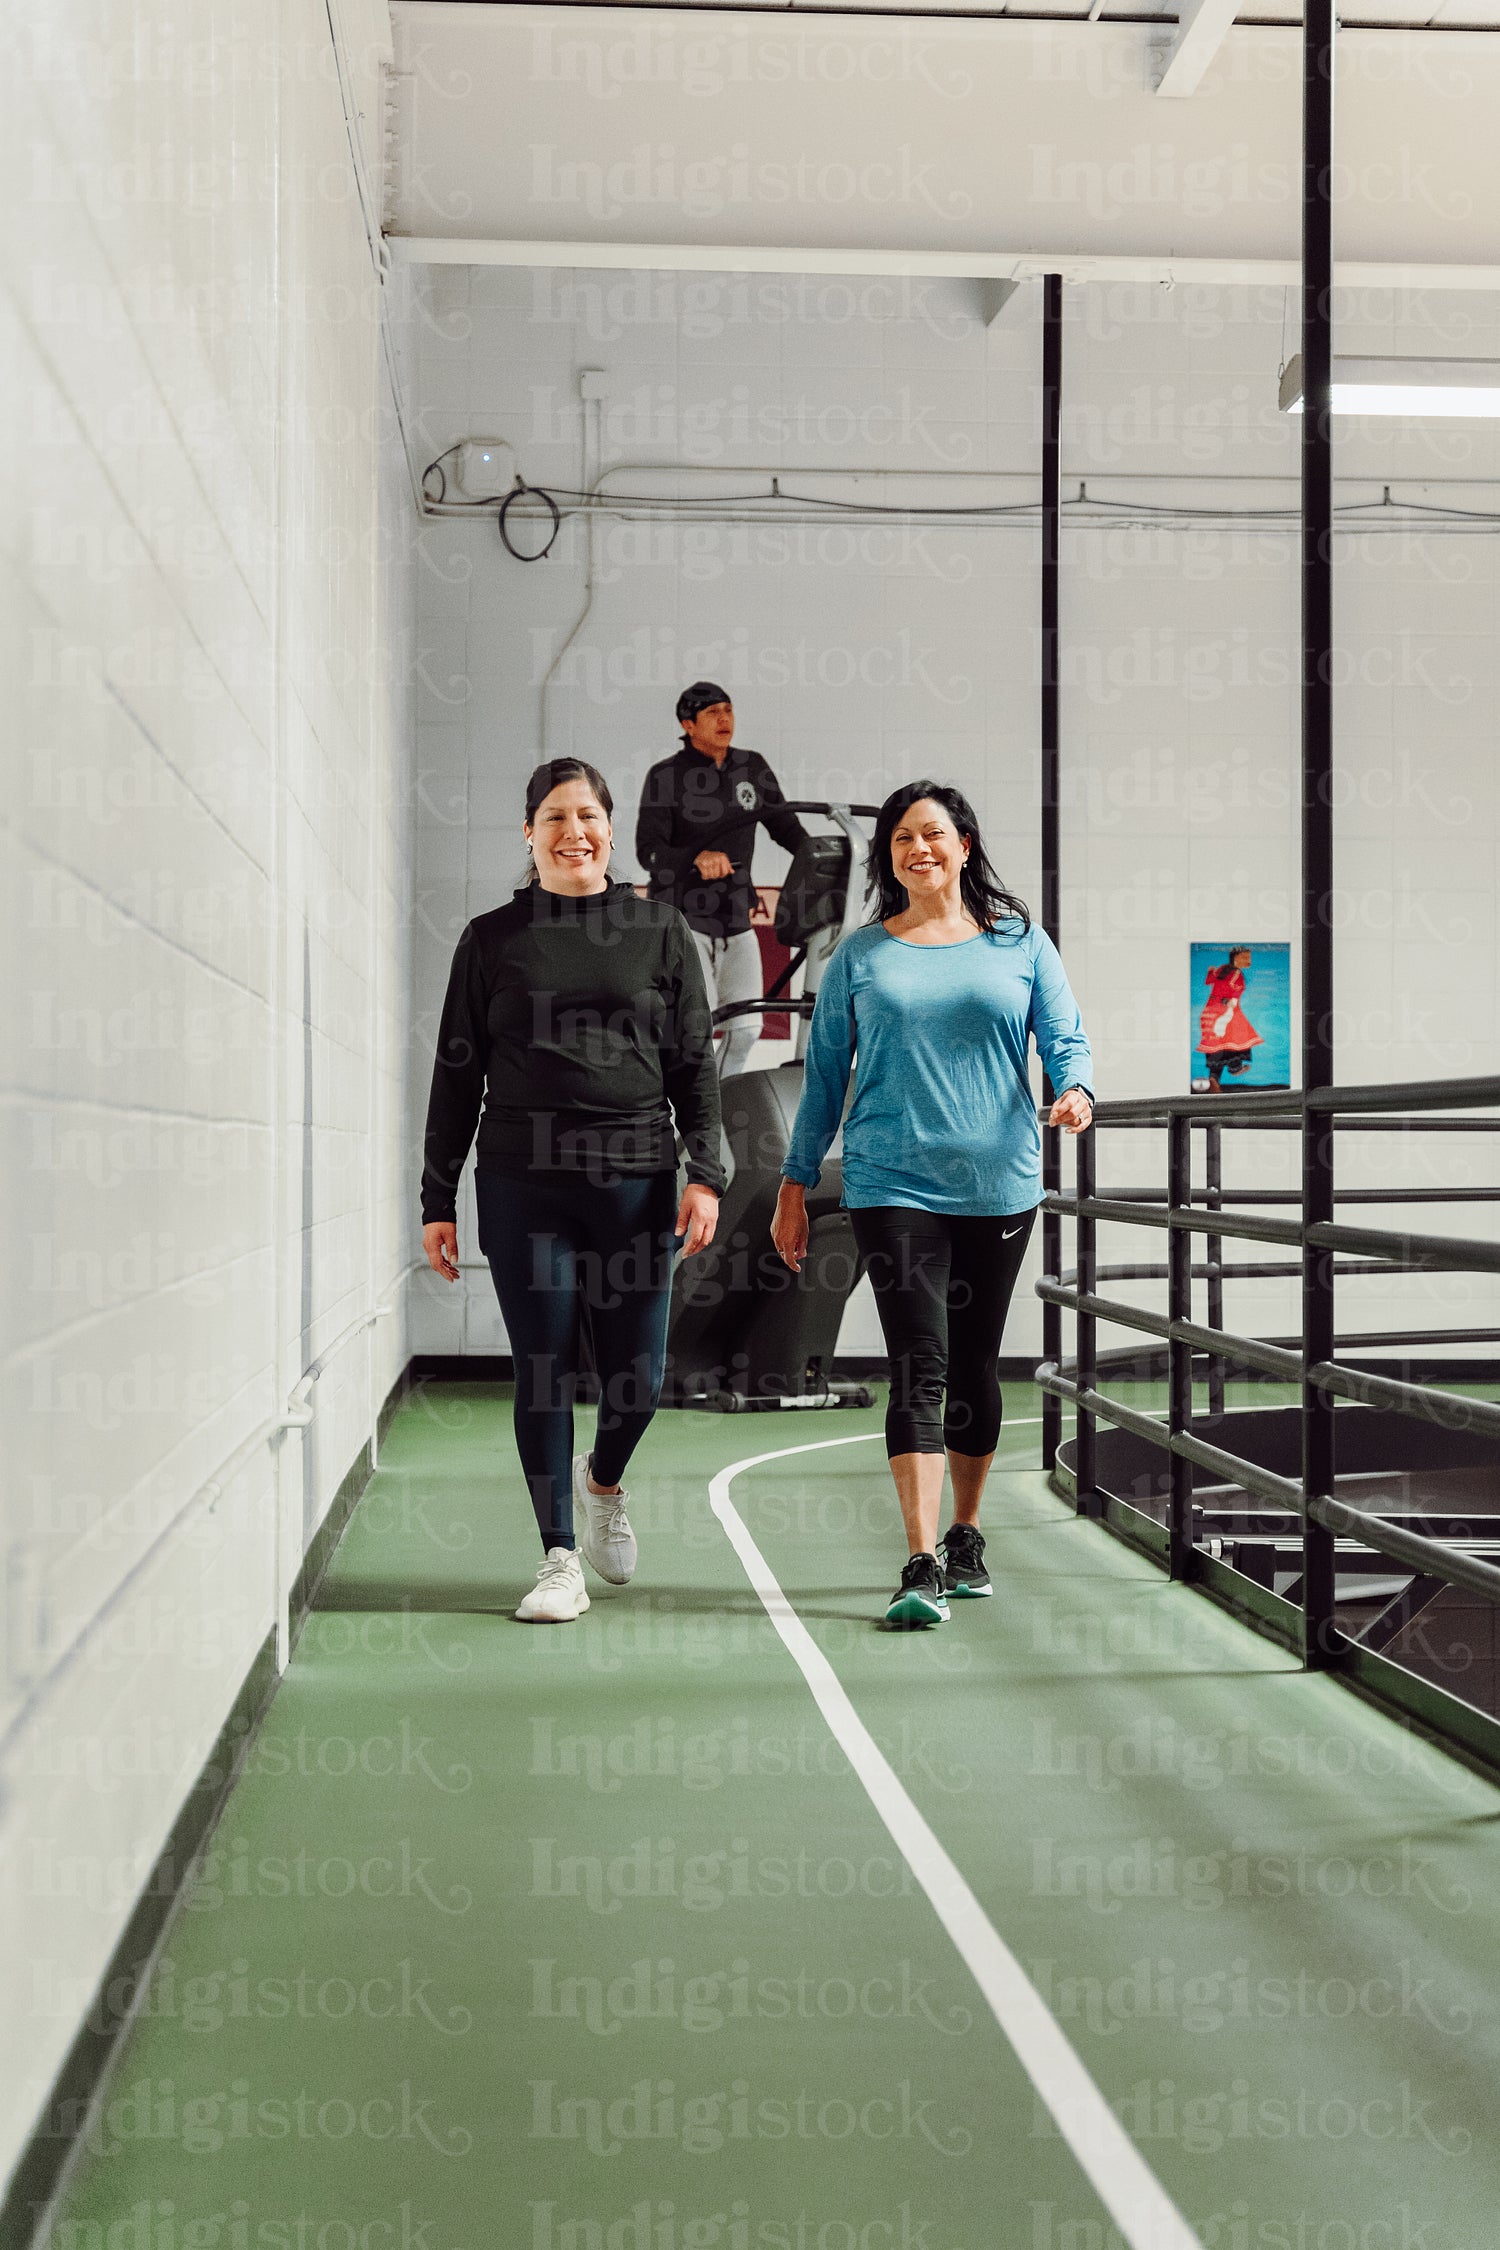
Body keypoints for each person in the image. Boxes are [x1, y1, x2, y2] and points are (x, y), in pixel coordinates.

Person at [770, 780, 1093, 1630]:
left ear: (964, 845)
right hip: (891, 1182)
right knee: (920, 1359)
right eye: (903, 838)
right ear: (890, 857)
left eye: (934, 834)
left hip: (999, 1183)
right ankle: (918, 1559)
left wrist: (1076, 1089)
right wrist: (794, 1184)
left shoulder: (1021, 942)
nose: (919, 848)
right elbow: (824, 1079)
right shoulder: (862, 956)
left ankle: (965, 1533)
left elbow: (1063, 1037)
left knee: (976, 1366)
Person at [420, 758, 724, 1624]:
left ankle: (603, 1484)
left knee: (639, 1376)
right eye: (553, 817)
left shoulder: (659, 930)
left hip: (635, 1180)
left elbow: (693, 1064)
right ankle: (558, 1557)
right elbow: (456, 1074)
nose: (572, 831)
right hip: (524, 1184)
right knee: (543, 1368)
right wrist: (436, 1197)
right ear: (529, 833)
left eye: (586, 814)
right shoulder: (491, 939)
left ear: (610, 826)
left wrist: (706, 1173)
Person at [635, 683, 809, 1077]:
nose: (724, 719)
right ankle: (693, 1119)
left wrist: (825, 855)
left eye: (728, 710)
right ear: (688, 724)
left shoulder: (752, 767)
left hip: (735, 918)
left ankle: (714, 1115)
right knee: (696, 1032)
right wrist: (695, 858)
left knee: (747, 1029)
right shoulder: (665, 776)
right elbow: (648, 851)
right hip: (683, 921)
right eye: (713, 713)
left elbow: (786, 828)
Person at [1198, 945, 1262, 1090]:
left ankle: (1214, 1077)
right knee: (1238, 1038)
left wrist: (1210, 971)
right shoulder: (1237, 974)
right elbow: (1234, 993)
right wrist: (1229, 1002)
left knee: (1216, 1044)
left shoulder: (1221, 969)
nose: (1249, 961)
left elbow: (1209, 981)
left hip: (1209, 1011)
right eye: (1245, 958)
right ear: (1236, 958)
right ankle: (1235, 1068)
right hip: (1226, 1010)